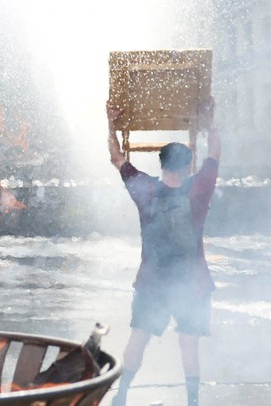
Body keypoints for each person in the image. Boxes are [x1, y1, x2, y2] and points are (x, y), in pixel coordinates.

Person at [107, 99, 220, 406]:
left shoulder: (144, 188)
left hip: (152, 280)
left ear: (161, 163)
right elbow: (214, 153)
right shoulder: (199, 188)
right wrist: (209, 119)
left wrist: (111, 121)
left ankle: (122, 395)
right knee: (189, 344)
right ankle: (193, 403)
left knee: (138, 337)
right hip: (192, 281)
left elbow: (116, 157)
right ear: (186, 166)